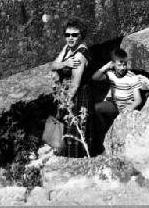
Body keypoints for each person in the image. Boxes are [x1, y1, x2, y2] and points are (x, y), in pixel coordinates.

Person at [51, 19, 94, 157]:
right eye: (67, 34)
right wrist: (65, 63)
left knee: (76, 130)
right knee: (67, 128)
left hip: (78, 96)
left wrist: (65, 103)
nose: (70, 38)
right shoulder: (67, 49)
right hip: (67, 94)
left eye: (74, 35)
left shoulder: (79, 55)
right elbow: (53, 65)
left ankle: (77, 161)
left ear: (81, 36)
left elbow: (75, 85)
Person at [92, 48, 142, 151]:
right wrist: (105, 67)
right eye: (119, 65)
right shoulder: (110, 74)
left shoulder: (132, 77)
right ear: (113, 64)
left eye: (125, 64)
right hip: (114, 105)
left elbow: (138, 99)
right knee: (95, 108)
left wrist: (130, 107)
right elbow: (94, 78)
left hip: (126, 108)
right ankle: (103, 136)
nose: (123, 67)